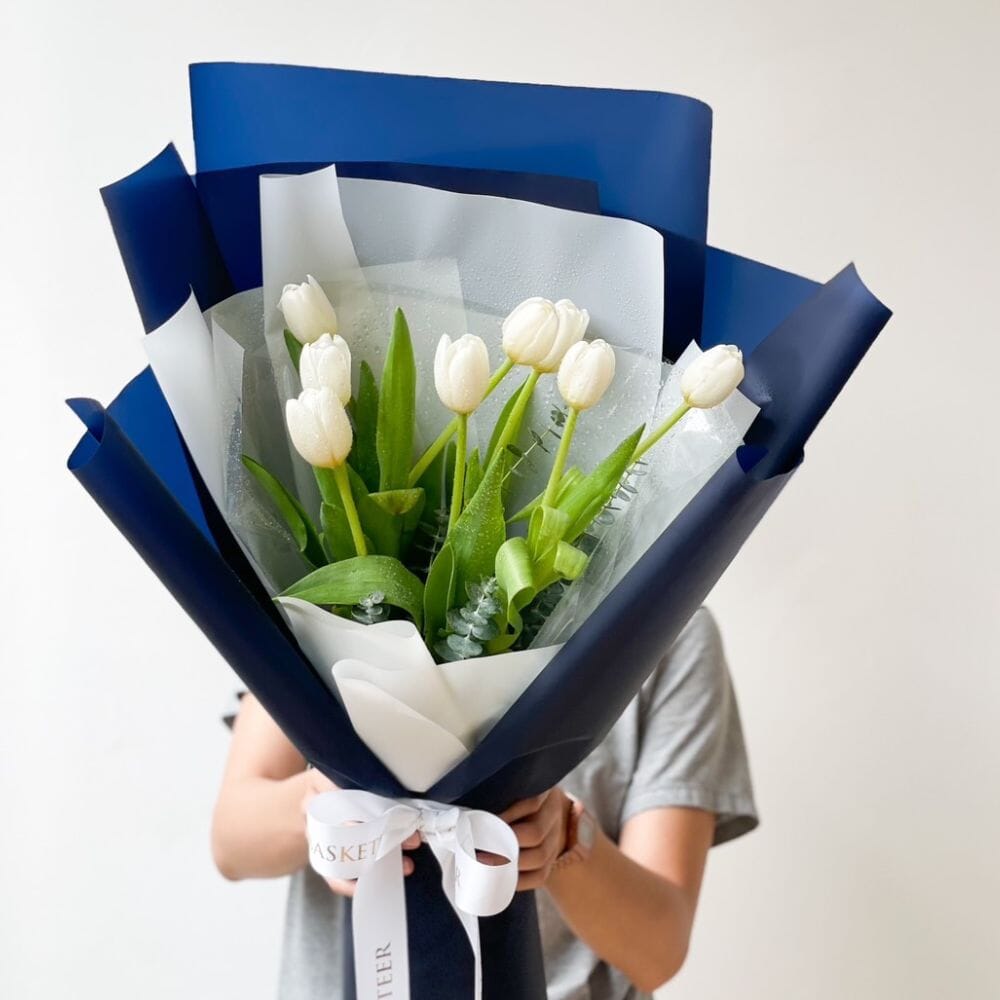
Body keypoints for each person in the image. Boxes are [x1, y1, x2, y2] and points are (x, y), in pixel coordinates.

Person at [211, 607, 757, 999]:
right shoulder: (337, 599)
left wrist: (565, 838)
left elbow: (658, 951)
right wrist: (323, 809)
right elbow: (231, 842)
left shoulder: (668, 626)